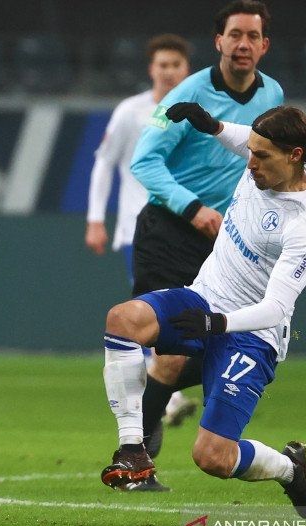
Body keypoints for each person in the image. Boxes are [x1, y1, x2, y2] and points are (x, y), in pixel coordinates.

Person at [101, 102, 306, 519]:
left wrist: (216, 324)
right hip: (204, 298)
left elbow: (276, 308)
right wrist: (211, 126)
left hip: (252, 335)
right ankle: (132, 449)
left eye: (261, 156)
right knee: (123, 320)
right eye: (251, 151)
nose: (250, 163)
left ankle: (289, 468)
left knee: (212, 456)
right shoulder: (263, 156)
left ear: (294, 156)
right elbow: (240, 136)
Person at [122, 0, 284, 490]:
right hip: (171, 232)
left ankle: (143, 402)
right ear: (219, 42)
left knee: (215, 342)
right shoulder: (185, 94)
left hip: (226, 244)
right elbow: (144, 162)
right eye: (235, 35)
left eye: (252, 36)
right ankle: (135, 460)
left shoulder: (272, 92)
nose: (243, 44)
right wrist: (193, 207)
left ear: (263, 45)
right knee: (170, 352)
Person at [85, 33, 198, 491]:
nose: (169, 71)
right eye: (162, 64)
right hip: (141, 231)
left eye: (176, 64)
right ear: (151, 69)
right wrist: (96, 219)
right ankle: (159, 403)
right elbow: (104, 162)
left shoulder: (200, 117)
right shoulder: (132, 112)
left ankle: (160, 392)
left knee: (189, 323)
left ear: (186, 70)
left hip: (195, 235)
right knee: (150, 319)